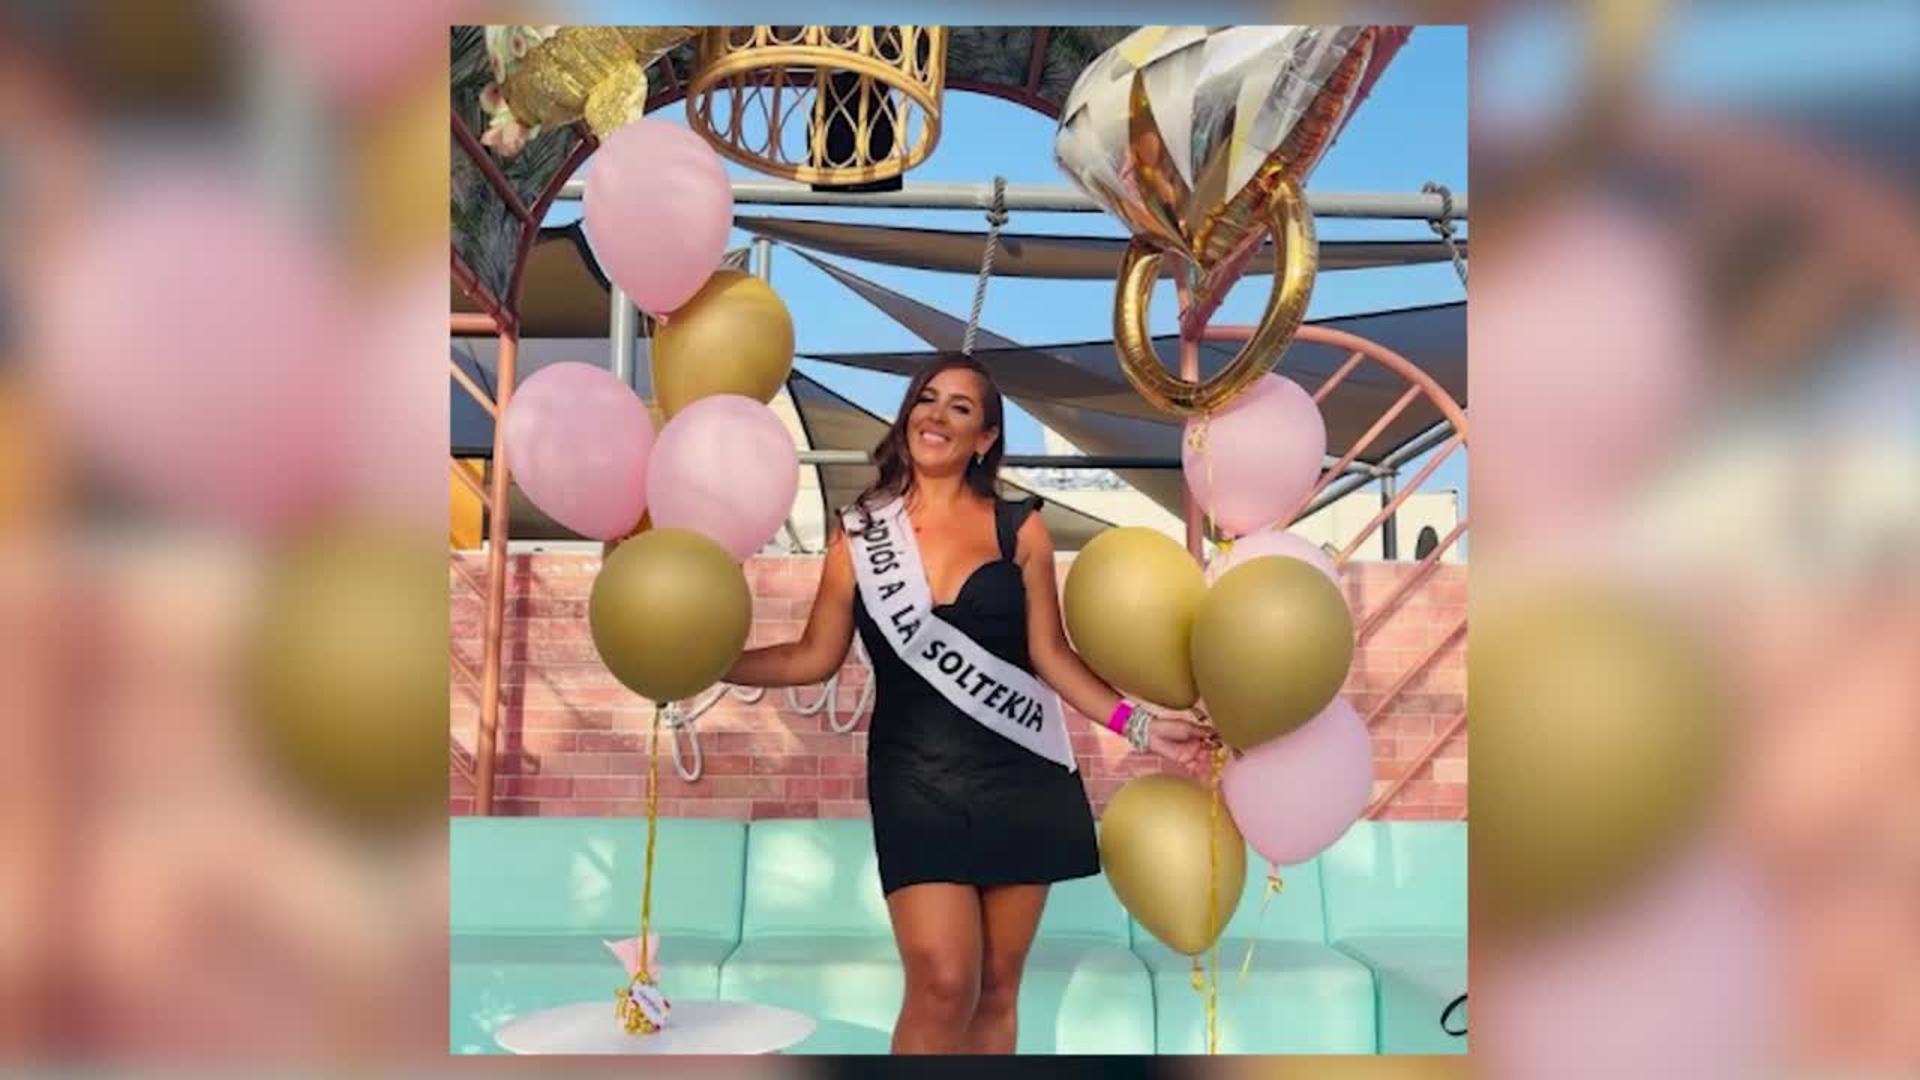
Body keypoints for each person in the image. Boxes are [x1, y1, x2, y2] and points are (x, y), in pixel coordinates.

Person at [725, 356, 1218, 1054]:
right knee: (942, 981)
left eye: (960, 407)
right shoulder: (859, 535)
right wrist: (715, 663)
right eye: (927, 400)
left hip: (1022, 775)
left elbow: (1052, 655)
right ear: (907, 417)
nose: (937, 416)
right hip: (913, 781)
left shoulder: (1021, 529)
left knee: (996, 989)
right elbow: (813, 655)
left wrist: (1142, 727)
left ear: (985, 438)